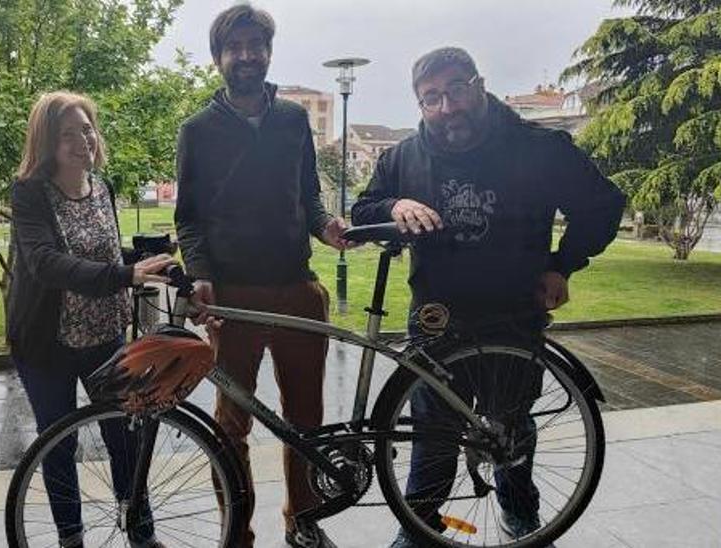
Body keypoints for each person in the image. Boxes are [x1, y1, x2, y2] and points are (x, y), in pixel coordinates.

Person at [351, 47, 626, 548]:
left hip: (513, 314)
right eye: (431, 98)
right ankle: (418, 526)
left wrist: (561, 264)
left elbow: (604, 205)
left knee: (511, 428)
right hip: (437, 317)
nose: (447, 107)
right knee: (430, 429)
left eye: (456, 89)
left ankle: (520, 517)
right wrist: (396, 203)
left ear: (479, 85)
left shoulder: (540, 148)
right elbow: (362, 209)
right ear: (419, 103)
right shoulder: (404, 156)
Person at [173, 4, 353, 547]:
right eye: (236, 47)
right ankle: (238, 532)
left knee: (307, 421)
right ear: (218, 58)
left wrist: (327, 226)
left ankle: (303, 520)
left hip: (298, 290)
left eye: (258, 46)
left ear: (268, 53)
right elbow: (189, 218)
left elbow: (309, 197)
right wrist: (200, 275)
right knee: (231, 427)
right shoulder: (197, 130)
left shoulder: (294, 119)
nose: (248, 56)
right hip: (234, 299)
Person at [6, 91, 175, 548]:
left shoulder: (101, 186)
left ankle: (141, 533)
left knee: (125, 435)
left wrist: (147, 260)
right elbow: (45, 261)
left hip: (105, 334)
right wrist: (125, 273)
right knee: (59, 443)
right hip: (47, 342)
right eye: (67, 134)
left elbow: (98, 252)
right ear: (45, 143)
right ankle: (71, 538)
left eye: (86, 128)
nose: (83, 140)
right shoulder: (29, 192)